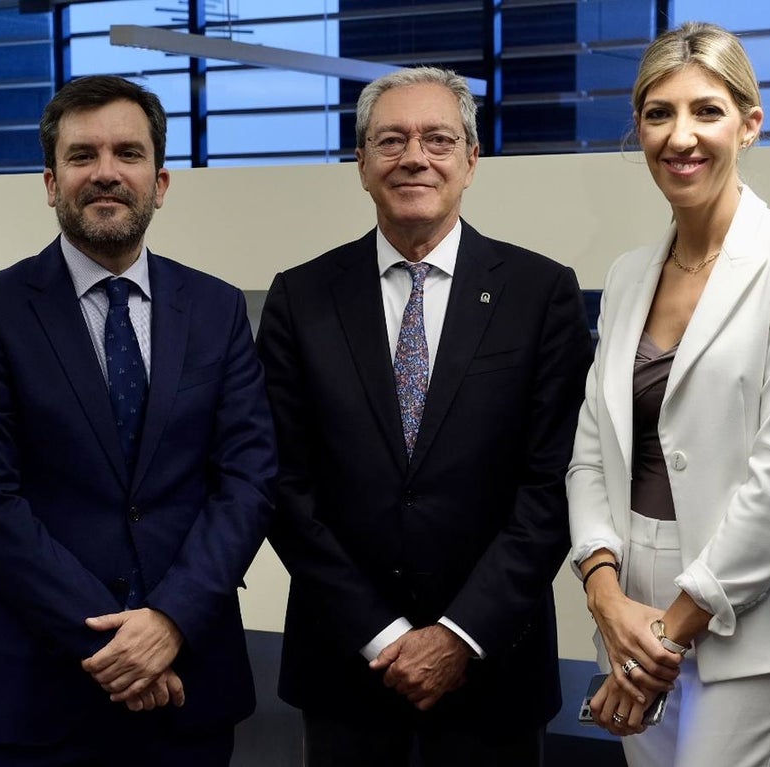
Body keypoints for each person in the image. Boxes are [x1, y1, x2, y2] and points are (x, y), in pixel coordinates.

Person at [0, 75, 277, 766]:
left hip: (189, 682)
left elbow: (248, 480)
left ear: (161, 179)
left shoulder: (215, 309)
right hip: (31, 685)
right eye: (82, 155)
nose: (106, 173)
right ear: (51, 181)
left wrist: (171, 619)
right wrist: (115, 645)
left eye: (128, 153)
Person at [256, 66, 592, 766]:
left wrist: (460, 634)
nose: (415, 156)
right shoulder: (300, 297)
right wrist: (382, 634)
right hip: (347, 667)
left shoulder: (541, 294)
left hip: (493, 667)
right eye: (391, 140)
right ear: (361, 163)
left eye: (439, 139)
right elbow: (283, 485)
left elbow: (553, 484)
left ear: (471, 160)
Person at [566, 22, 770, 767]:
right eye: (659, 113)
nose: (680, 136)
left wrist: (668, 633)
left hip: (751, 616)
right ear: (638, 128)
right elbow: (591, 454)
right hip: (631, 605)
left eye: (707, 111)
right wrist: (607, 596)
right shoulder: (630, 273)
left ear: (750, 124)